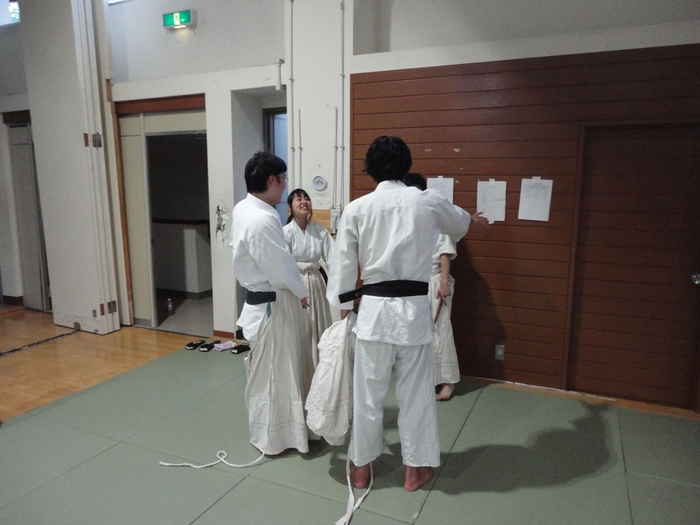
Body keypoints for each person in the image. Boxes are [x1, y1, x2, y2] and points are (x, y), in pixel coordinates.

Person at [326, 136, 481, 492]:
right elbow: (460, 224)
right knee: (416, 397)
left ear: (370, 169)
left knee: (368, 397)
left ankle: (361, 468)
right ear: (407, 165)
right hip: (413, 313)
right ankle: (415, 470)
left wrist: (345, 308)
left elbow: (343, 265)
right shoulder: (426, 200)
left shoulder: (357, 208)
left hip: (373, 315)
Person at [229, 151, 313, 456]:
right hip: (272, 304)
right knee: (276, 374)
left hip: (260, 301)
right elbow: (279, 267)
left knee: (271, 373)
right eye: (284, 179)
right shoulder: (262, 218)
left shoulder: (243, 208)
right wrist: (301, 290)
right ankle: (274, 438)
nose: (286, 185)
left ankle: (277, 434)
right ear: (272, 180)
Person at [404, 173, 484, 401]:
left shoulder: (436, 216)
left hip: (436, 281)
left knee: (440, 330)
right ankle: (424, 379)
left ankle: (448, 382)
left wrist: (443, 282)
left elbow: (445, 253)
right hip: (415, 283)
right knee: (418, 334)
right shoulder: (407, 216)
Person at [284, 188, 335, 368]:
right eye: (298, 199)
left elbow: (333, 259)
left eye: (306, 198)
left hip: (315, 281)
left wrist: (338, 287)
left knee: (319, 325)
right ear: (290, 207)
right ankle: (301, 368)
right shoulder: (286, 232)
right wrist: (296, 291)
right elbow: (284, 265)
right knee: (300, 328)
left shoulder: (319, 230)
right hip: (295, 284)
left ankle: (320, 368)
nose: (304, 201)